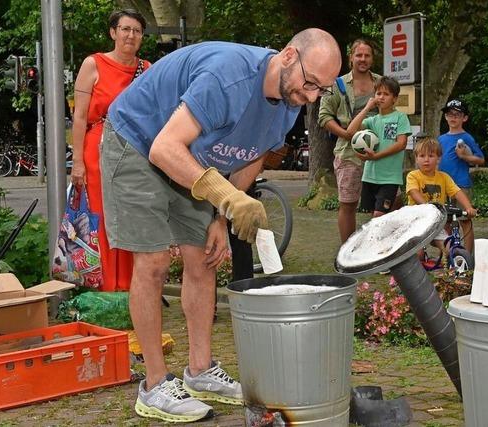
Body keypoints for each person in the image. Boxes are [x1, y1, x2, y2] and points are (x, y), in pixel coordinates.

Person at [100, 29, 341, 423]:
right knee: (156, 260)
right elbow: (164, 148)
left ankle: (200, 372)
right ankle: (155, 385)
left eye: (322, 90)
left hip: (190, 155)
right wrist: (226, 196)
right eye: (310, 83)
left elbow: (252, 155)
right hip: (139, 141)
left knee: (205, 259)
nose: (312, 96)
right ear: (287, 55)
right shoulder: (229, 78)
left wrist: (220, 216)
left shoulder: (290, 98)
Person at [70, 9, 150, 292]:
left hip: (132, 150)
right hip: (98, 149)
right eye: (125, 29)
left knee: (130, 216)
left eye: (137, 31)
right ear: (113, 32)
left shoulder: (148, 69)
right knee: (101, 216)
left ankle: (131, 288)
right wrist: (77, 161)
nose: (131, 35)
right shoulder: (93, 64)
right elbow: (79, 117)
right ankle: (105, 287)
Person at [318, 39, 381, 242]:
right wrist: (346, 135)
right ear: (351, 57)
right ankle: (347, 253)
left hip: (379, 153)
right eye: (359, 55)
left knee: (388, 201)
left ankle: (383, 251)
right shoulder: (336, 84)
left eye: (367, 55)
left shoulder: (381, 83)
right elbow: (324, 117)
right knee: (348, 203)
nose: (363, 59)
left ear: (372, 58)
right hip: (348, 153)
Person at [346, 76, 411, 218]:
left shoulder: (400, 117)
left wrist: (376, 156)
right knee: (374, 217)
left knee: (378, 215)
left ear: (394, 98)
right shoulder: (372, 120)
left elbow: (401, 144)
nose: (381, 97)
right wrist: (367, 107)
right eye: (378, 93)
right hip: (369, 176)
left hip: (389, 179)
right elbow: (350, 131)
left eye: (386, 94)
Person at [406, 137, 477, 256]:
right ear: (416, 159)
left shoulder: (444, 177)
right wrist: (427, 206)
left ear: (438, 158)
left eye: (431, 156)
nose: (426, 160)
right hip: (416, 222)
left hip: (435, 222)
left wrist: (468, 207)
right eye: (422, 156)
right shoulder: (413, 176)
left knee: (450, 248)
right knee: (418, 255)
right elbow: (414, 192)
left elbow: (457, 192)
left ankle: (452, 265)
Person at [438, 99, 484, 254]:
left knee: (465, 221)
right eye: (450, 114)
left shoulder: (467, 137)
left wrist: (465, 157)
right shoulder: (441, 139)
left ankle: (468, 256)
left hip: (461, 184)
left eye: (457, 115)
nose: (453, 118)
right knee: (445, 222)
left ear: (464, 118)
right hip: (443, 185)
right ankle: (450, 255)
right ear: (445, 117)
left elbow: (480, 158)